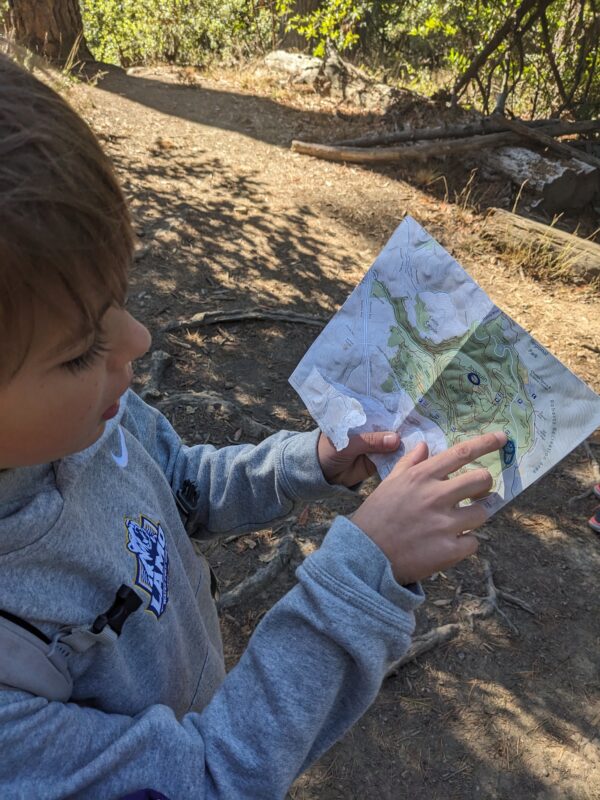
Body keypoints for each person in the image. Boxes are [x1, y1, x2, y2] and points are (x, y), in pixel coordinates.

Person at [0, 52, 506, 799]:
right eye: (81, 352)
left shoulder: (89, 420)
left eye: (119, 300)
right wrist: (364, 571)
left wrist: (314, 463)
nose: (138, 340)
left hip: (195, 698)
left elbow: (180, 486)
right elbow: (206, 778)